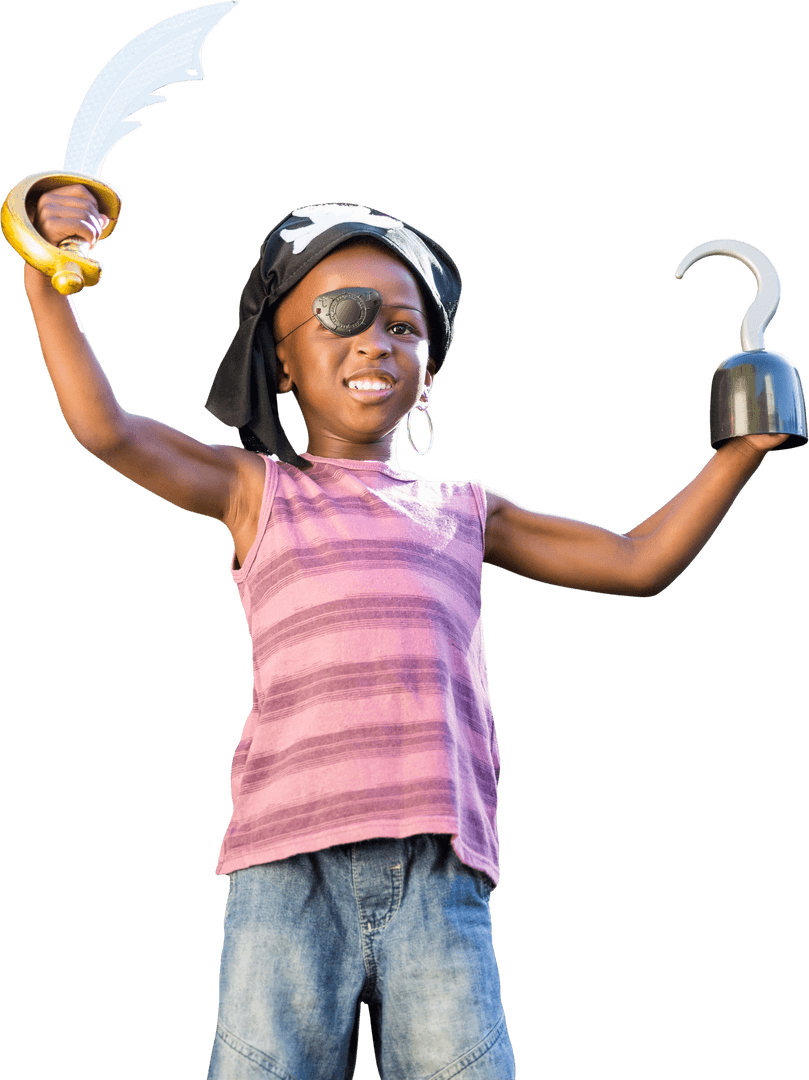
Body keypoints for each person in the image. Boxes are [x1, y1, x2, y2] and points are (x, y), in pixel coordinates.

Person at [23, 188, 789, 1080]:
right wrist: (50, 278)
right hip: (286, 873)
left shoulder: (464, 511)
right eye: (342, 314)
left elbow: (633, 561)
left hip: (439, 874)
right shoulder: (259, 493)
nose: (376, 342)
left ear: (430, 370)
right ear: (280, 360)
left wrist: (736, 455)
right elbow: (104, 430)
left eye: (405, 326)